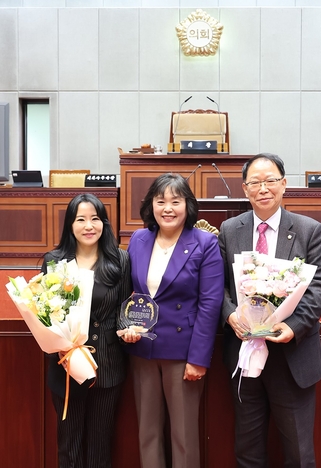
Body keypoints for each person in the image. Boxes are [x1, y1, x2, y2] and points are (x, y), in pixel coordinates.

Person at [217, 153, 321, 468]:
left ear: (284, 185)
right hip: (244, 355)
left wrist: (293, 326)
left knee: (298, 453)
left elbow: (320, 286)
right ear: (245, 189)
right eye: (255, 182)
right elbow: (219, 286)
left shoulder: (309, 230)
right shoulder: (229, 230)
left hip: (290, 359)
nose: (262, 188)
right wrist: (230, 314)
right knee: (248, 451)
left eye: (270, 181)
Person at [121, 173, 224, 468]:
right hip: (143, 350)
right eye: (160, 200)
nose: (168, 208)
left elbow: (210, 304)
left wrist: (199, 358)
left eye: (175, 201)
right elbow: (131, 294)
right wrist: (126, 326)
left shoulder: (204, 243)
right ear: (151, 205)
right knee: (147, 433)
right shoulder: (140, 239)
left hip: (183, 353)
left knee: (184, 436)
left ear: (187, 205)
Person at [41, 193, 132, 468]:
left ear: (104, 223)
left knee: (100, 447)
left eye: (95, 218)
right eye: (81, 219)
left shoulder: (120, 260)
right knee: (68, 446)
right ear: (70, 224)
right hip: (66, 366)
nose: (88, 226)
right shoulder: (54, 261)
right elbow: (45, 314)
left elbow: (124, 310)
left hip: (107, 364)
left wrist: (129, 330)